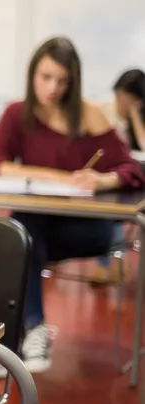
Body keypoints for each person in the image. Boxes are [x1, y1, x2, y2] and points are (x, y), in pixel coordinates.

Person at [0, 37, 145, 377]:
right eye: (45, 77)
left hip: (89, 229)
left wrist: (103, 180)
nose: (52, 88)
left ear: (73, 81)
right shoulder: (17, 113)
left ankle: (16, 338)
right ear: (32, 74)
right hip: (39, 228)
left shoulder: (89, 115)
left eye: (62, 80)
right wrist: (59, 177)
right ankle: (31, 331)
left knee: (19, 240)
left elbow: (132, 169)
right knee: (22, 229)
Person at [91, 69, 145, 283]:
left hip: (138, 182)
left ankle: (115, 261)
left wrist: (135, 115)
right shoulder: (106, 112)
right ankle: (109, 262)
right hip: (114, 181)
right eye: (118, 97)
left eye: (126, 99)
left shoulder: (137, 117)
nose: (119, 102)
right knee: (109, 209)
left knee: (122, 210)